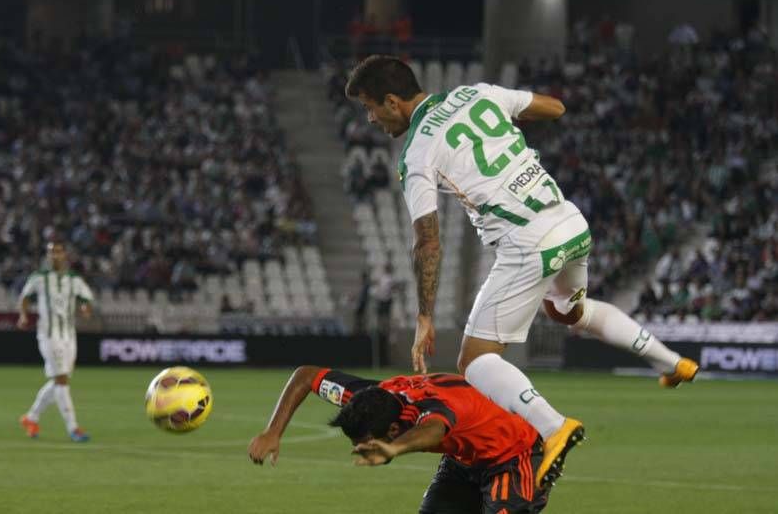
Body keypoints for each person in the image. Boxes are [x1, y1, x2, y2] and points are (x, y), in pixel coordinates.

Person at [343, 55, 699, 487]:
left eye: (370, 107)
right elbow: (555, 108)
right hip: (568, 222)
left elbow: (428, 241)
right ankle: (672, 362)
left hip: (527, 242)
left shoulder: (417, 153)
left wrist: (424, 316)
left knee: (475, 360)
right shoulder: (477, 93)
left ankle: (553, 427)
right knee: (567, 311)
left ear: (393, 101)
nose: (370, 118)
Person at [249, 366, 562, 512]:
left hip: (516, 454)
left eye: (366, 441)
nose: (358, 448)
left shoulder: (434, 411)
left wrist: (392, 450)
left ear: (394, 432)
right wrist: (273, 432)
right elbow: (306, 376)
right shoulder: (369, 399)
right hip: (464, 458)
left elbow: (435, 429)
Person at [17, 239, 94, 442]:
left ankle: (31, 417)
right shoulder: (39, 277)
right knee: (61, 380)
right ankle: (73, 428)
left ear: (65, 254)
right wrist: (23, 315)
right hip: (48, 334)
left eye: (58, 251)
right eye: (51, 252)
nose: (54, 255)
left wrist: (86, 308)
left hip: (69, 334)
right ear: (47, 255)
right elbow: (25, 297)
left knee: (61, 379)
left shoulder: (73, 279)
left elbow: (86, 298)